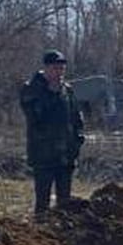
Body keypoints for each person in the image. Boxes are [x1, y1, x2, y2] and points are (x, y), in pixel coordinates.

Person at [20, 50, 85, 214]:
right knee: (43, 202)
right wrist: (48, 92)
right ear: (46, 68)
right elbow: (35, 117)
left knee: (65, 202)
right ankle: (40, 232)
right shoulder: (32, 89)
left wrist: (77, 140)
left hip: (66, 156)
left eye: (62, 69)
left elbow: (76, 118)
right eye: (56, 68)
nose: (59, 72)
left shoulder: (67, 90)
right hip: (43, 156)